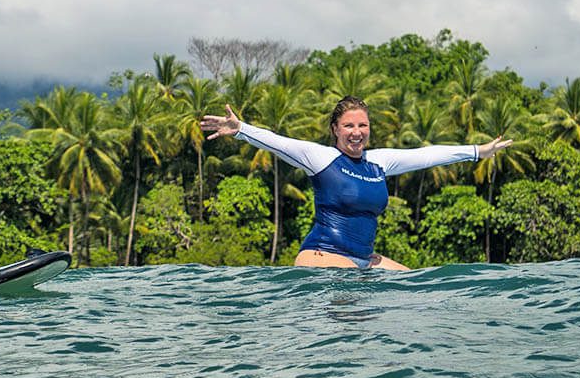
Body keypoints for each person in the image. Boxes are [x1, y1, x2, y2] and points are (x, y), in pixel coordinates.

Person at [200, 96, 512, 270]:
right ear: (335, 128)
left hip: (364, 260)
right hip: (322, 256)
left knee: (416, 285)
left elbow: (426, 155)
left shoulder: (379, 162)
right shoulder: (319, 157)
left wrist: (477, 152)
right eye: (349, 125)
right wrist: (240, 128)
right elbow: (276, 141)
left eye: (363, 125)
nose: (356, 131)